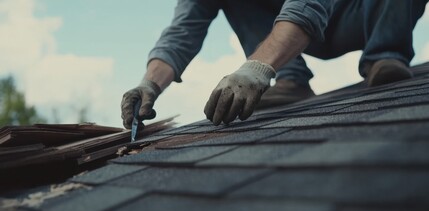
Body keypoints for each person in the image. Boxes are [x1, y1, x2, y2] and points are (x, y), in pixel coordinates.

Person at [121, 0, 428, 128]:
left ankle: (385, 53)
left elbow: (309, 4)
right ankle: (291, 80)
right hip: (301, 34)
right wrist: (149, 83)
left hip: (357, 14)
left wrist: (257, 67)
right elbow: (182, 32)